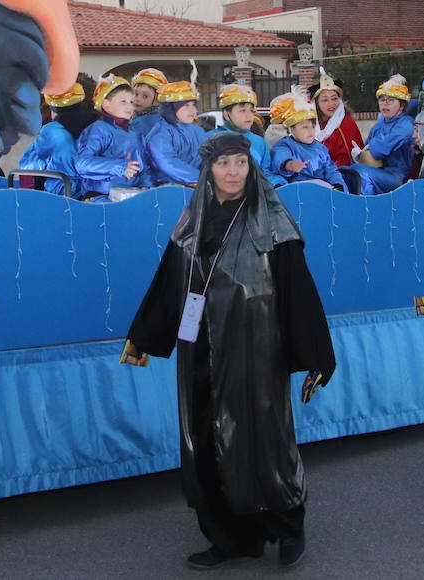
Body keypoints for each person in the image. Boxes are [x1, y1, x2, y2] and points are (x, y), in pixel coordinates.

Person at [123, 133, 336, 570]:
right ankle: (228, 536)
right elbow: (169, 283)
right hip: (199, 347)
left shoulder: (272, 221)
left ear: (251, 166)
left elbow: (298, 291)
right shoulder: (191, 221)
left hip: (256, 346)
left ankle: (288, 525)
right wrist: (145, 335)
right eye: (224, 164)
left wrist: (315, 353)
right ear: (208, 171)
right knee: (206, 437)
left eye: (240, 162)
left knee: (263, 436)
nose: (233, 172)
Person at [15, 83, 98, 196]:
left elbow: (29, 163)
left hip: (63, 190)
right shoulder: (98, 125)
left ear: (53, 109)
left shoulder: (51, 130)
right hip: (94, 189)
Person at [74, 74, 149, 199]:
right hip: (101, 195)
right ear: (106, 105)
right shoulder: (98, 129)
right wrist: (121, 166)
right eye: (123, 101)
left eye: (131, 101)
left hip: (131, 194)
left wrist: (147, 186)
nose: (130, 106)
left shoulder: (135, 134)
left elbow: (145, 166)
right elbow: (82, 163)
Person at [340, 75, 415, 195]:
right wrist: (359, 156)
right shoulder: (378, 126)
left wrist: (368, 150)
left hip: (398, 178)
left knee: (361, 172)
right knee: (347, 172)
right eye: (382, 100)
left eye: (391, 100)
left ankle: (368, 207)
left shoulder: (406, 124)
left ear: (401, 105)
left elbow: (381, 149)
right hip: (378, 172)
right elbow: (366, 154)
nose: (385, 104)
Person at [266, 91, 345, 190]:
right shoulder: (285, 145)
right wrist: (290, 164)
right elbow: (280, 157)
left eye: (313, 127)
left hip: (321, 189)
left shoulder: (320, 148)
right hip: (297, 190)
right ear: (292, 129)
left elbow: (331, 170)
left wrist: (338, 184)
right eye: (305, 127)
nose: (310, 131)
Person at [214, 83, 284, 187]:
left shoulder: (259, 142)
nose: (248, 115)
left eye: (251, 111)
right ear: (226, 114)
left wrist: (279, 184)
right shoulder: (211, 140)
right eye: (242, 110)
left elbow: (266, 173)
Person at [142, 79, 209, 187]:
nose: (192, 110)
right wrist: (199, 178)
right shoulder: (160, 133)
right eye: (186, 105)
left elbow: (208, 158)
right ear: (171, 108)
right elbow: (167, 162)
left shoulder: (197, 131)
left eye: (193, 105)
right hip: (164, 191)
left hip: (197, 187)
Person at [310, 71, 364, 168]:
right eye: (325, 100)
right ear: (316, 103)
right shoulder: (314, 125)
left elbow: (346, 162)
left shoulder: (345, 124)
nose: (331, 104)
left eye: (334, 98)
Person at [130, 67, 169, 138]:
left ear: (157, 100)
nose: (138, 99)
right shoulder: (133, 116)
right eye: (135, 94)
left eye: (145, 96)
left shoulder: (149, 122)